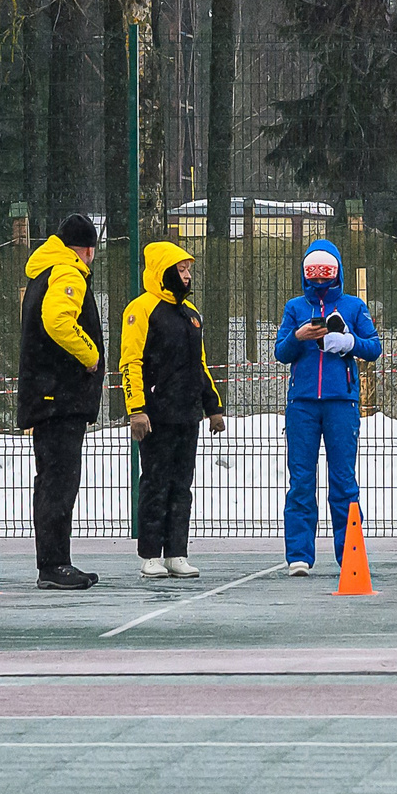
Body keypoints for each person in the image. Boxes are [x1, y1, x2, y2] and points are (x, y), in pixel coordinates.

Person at [273, 238, 381, 578]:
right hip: (302, 404)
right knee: (301, 480)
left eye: (326, 273)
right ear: (305, 274)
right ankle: (299, 555)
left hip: (341, 403)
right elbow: (281, 352)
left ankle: (349, 554)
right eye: (313, 273)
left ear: (337, 273)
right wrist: (299, 337)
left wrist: (347, 342)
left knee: (343, 481)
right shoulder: (295, 308)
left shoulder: (354, 306)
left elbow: (374, 347)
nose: (320, 280)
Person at [121, 239, 225, 579]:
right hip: (155, 416)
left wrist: (213, 407)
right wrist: (137, 409)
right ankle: (150, 554)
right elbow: (131, 362)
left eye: (188, 270)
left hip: (187, 415)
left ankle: (176, 552)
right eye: (181, 269)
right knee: (155, 483)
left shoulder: (191, 314)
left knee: (182, 485)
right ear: (164, 271)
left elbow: (200, 365)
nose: (187, 275)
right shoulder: (141, 309)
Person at [15, 214, 105, 589]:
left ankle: (55, 561)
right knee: (59, 481)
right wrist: (90, 354)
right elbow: (58, 321)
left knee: (52, 479)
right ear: (88, 250)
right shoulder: (68, 272)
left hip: (47, 392)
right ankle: (54, 565)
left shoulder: (44, 271)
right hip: (60, 396)